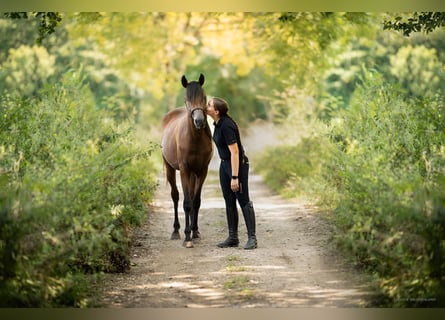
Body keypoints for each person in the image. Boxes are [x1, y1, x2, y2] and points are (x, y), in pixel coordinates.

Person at [206, 97, 257, 250]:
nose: (206, 106)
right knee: (229, 200)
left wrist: (235, 177)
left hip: (237, 166)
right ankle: (233, 237)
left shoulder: (226, 125)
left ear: (216, 111)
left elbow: (235, 152)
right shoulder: (217, 124)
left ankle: (252, 238)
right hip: (224, 165)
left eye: (209, 105)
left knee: (243, 200)